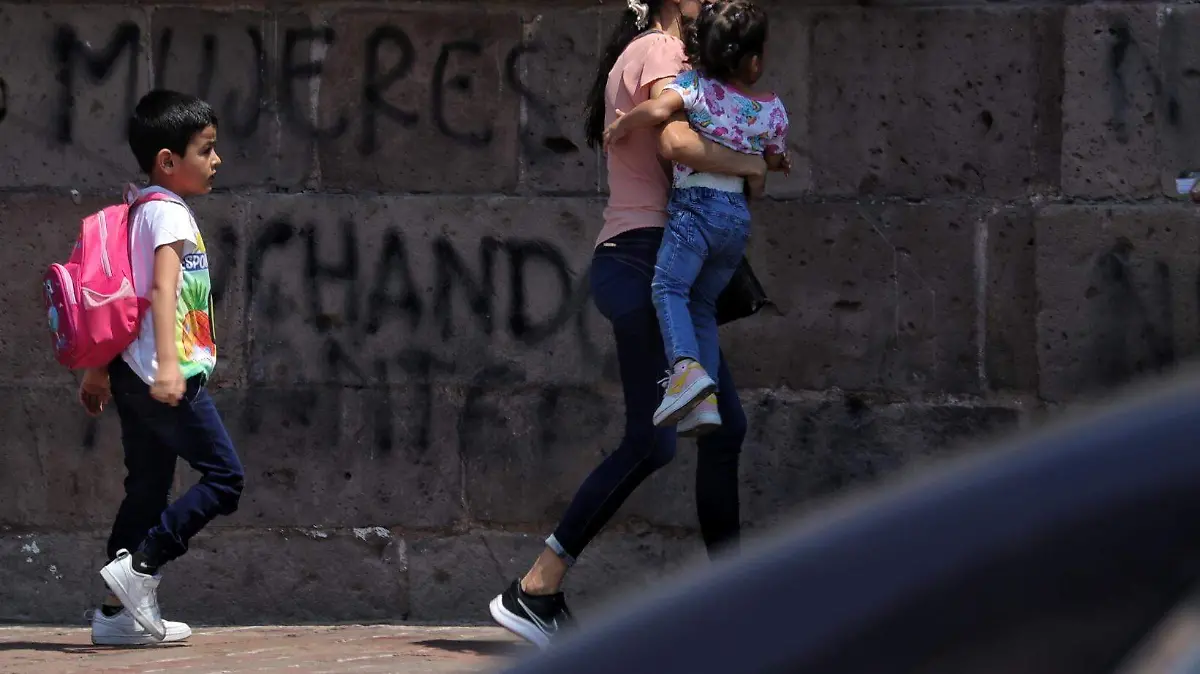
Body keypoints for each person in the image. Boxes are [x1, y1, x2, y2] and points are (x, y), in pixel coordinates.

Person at [488, 0, 768, 648]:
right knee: (652, 440)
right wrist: (748, 162)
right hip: (645, 260)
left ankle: (735, 601)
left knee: (722, 428)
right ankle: (535, 588)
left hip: (652, 260)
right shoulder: (660, 51)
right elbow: (674, 142)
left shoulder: (655, 53)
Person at [78, 90, 244, 646]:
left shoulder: (137, 210)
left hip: (131, 371)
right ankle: (143, 564)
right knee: (225, 479)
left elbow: (118, 297)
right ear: (168, 160)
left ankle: (114, 616)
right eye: (206, 149)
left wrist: (100, 369)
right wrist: (171, 368)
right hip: (163, 375)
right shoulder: (169, 213)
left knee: (147, 490)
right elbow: (160, 292)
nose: (217, 160)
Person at [604, 0, 787, 432]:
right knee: (702, 305)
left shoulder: (694, 85)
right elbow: (773, 159)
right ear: (754, 61)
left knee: (669, 287)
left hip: (696, 208)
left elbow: (660, 116)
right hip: (736, 219)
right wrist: (767, 166)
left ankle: (685, 370)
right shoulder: (773, 109)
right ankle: (706, 404)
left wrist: (623, 125)